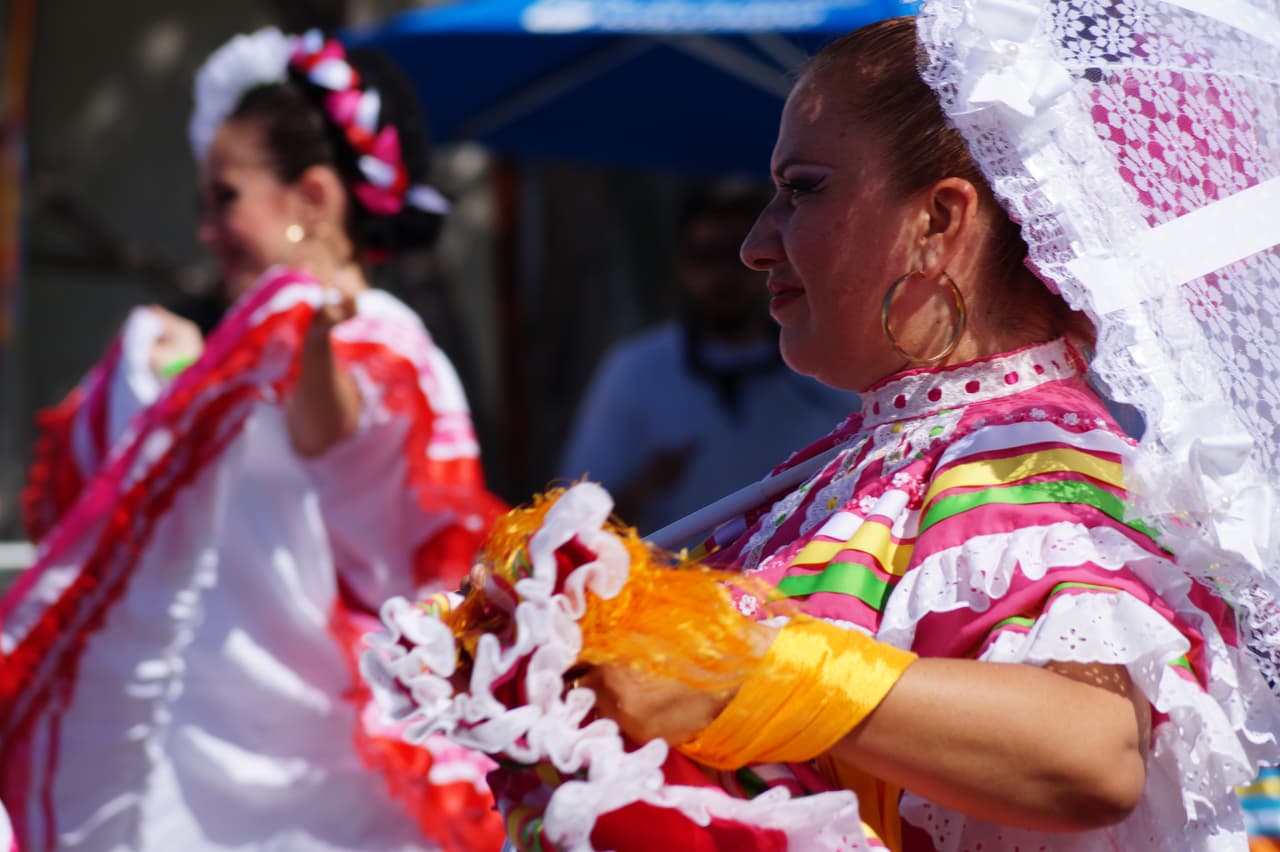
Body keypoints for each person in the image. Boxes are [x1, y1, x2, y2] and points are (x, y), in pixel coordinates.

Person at [365, 9, 1280, 852]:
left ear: (939, 221)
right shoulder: (870, 461)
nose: (757, 242)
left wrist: (738, 671)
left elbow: (1092, 751)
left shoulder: (1017, 456)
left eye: (801, 190)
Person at [0, 28, 505, 852]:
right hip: (236, 744)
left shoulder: (381, 339)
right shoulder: (253, 349)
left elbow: (333, 438)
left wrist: (294, 338)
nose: (205, 229)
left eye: (224, 197)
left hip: (340, 759)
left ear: (311, 198)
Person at [558, 183, 855, 533]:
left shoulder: (828, 365)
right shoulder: (635, 369)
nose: (724, 274)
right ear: (680, 264)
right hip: (670, 582)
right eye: (706, 255)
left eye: (737, 254)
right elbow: (571, 520)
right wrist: (642, 488)